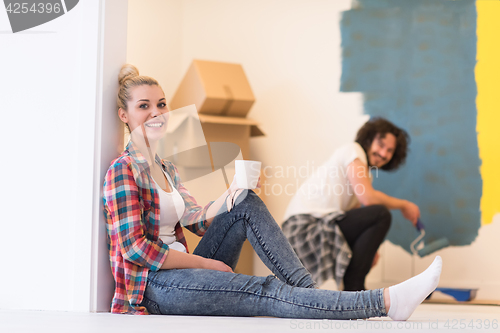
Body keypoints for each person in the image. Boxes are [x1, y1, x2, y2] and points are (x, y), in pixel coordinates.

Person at [103, 64, 441, 320]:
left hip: (188, 269)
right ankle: (386, 302)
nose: (156, 113)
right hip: (156, 287)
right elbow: (135, 250)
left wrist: (232, 194)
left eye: (160, 104)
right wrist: (204, 263)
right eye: (143, 106)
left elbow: (197, 221)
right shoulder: (123, 170)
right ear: (125, 115)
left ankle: (307, 295)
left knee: (245, 201)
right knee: (263, 289)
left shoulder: (167, 168)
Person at [282, 118, 420, 291]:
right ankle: (354, 288)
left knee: (375, 218)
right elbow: (368, 199)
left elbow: (356, 218)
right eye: (381, 144)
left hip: (319, 226)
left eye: (390, 150)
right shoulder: (353, 151)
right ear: (369, 139)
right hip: (303, 229)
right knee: (381, 214)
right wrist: (404, 205)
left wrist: (368, 249)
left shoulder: (363, 174)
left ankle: (353, 291)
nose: (383, 154)